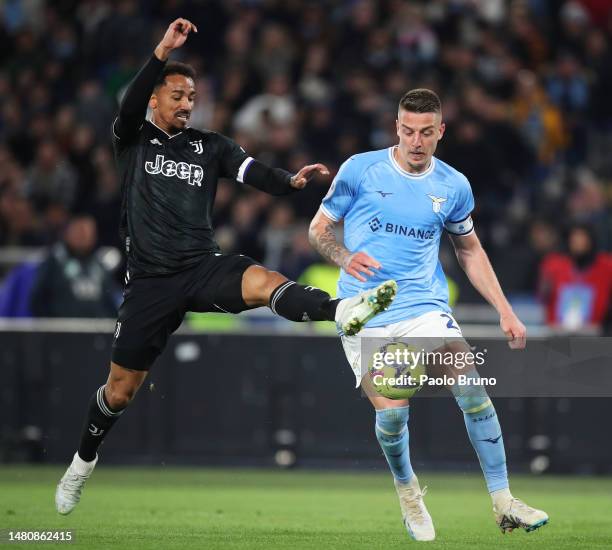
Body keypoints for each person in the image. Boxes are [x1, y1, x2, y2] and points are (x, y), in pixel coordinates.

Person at [55, 19, 397, 515]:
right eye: (176, 94)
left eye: (191, 95)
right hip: (151, 282)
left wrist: (290, 183)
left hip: (201, 266)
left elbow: (251, 170)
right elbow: (128, 105)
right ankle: (81, 465)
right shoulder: (132, 139)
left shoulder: (208, 145)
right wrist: (160, 51)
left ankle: (343, 310)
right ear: (155, 98)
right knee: (120, 392)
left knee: (263, 281)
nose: (186, 103)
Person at [308, 88, 548, 541]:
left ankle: (503, 501)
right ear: (396, 128)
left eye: (425, 132)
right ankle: (408, 491)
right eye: (407, 131)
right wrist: (344, 257)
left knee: (471, 387)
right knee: (394, 415)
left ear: (441, 132)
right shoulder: (360, 169)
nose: (415, 141)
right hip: (365, 311)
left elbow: (469, 250)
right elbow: (319, 230)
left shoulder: (453, 185)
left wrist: (505, 310)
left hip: (424, 307)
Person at [29, 214, 119, 318]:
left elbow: (112, 301)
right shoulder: (53, 262)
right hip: (62, 330)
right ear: (67, 232)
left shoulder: (100, 265)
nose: (83, 235)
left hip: (97, 330)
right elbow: (37, 300)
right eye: (79, 230)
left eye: (88, 231)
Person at [539, 222, 612, 331]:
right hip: (558, 332)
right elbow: (543, 298)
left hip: (597, 332)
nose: (578, 243)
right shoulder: (554, 265)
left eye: (582, 238)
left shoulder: (606, 266)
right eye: (575, 238)